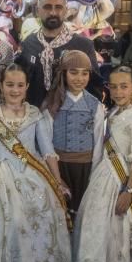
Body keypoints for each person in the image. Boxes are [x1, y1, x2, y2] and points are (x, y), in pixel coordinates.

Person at [0, 64, 72, 262]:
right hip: (0, 175)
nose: (15, 89)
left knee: (44, 216)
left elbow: (48, 151)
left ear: (27, 87)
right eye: (9, 84)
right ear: (1, 86)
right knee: (13, 221)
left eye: (20, 85)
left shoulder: (35, 115)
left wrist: (57, 180)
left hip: (33, 175)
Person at [73, 66, 132, 262]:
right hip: (103, 176)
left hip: (121, 181)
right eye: (113, 86)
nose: (117, 91)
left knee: (115, 234)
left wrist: (128, 190)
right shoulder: (115, 111)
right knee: (96, 231)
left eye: (124, 86)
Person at [42, 50, 105, 215]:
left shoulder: (95, 105)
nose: (79, 78)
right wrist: (51, 172)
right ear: (64, 73)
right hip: (58, 167)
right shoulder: (52, 104)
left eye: (85, 73)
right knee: (60, 211)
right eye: (73, 72)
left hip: (84, 168)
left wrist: (94, 172)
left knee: (82, 212)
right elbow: (45, 141)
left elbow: (98, 142)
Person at [17, 0, 101, 107]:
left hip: (71, 120)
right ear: (38, 10)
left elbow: (95, 88)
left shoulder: (83, 45)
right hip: (33, 119)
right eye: (47, 7)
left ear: (66, 10)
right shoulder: (29, 43)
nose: (53, 12)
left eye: (58, 7)